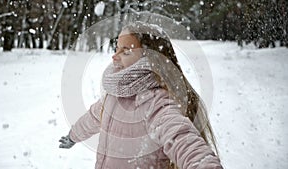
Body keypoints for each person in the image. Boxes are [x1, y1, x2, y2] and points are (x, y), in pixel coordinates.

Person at [59, 21, 223, 169]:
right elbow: (94, 117)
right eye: (117, 48)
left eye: (126, 52)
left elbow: (181, 138)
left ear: (149, 57)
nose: (114, 56)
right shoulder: (114, 94)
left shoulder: (155, 101)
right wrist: (73, 136)